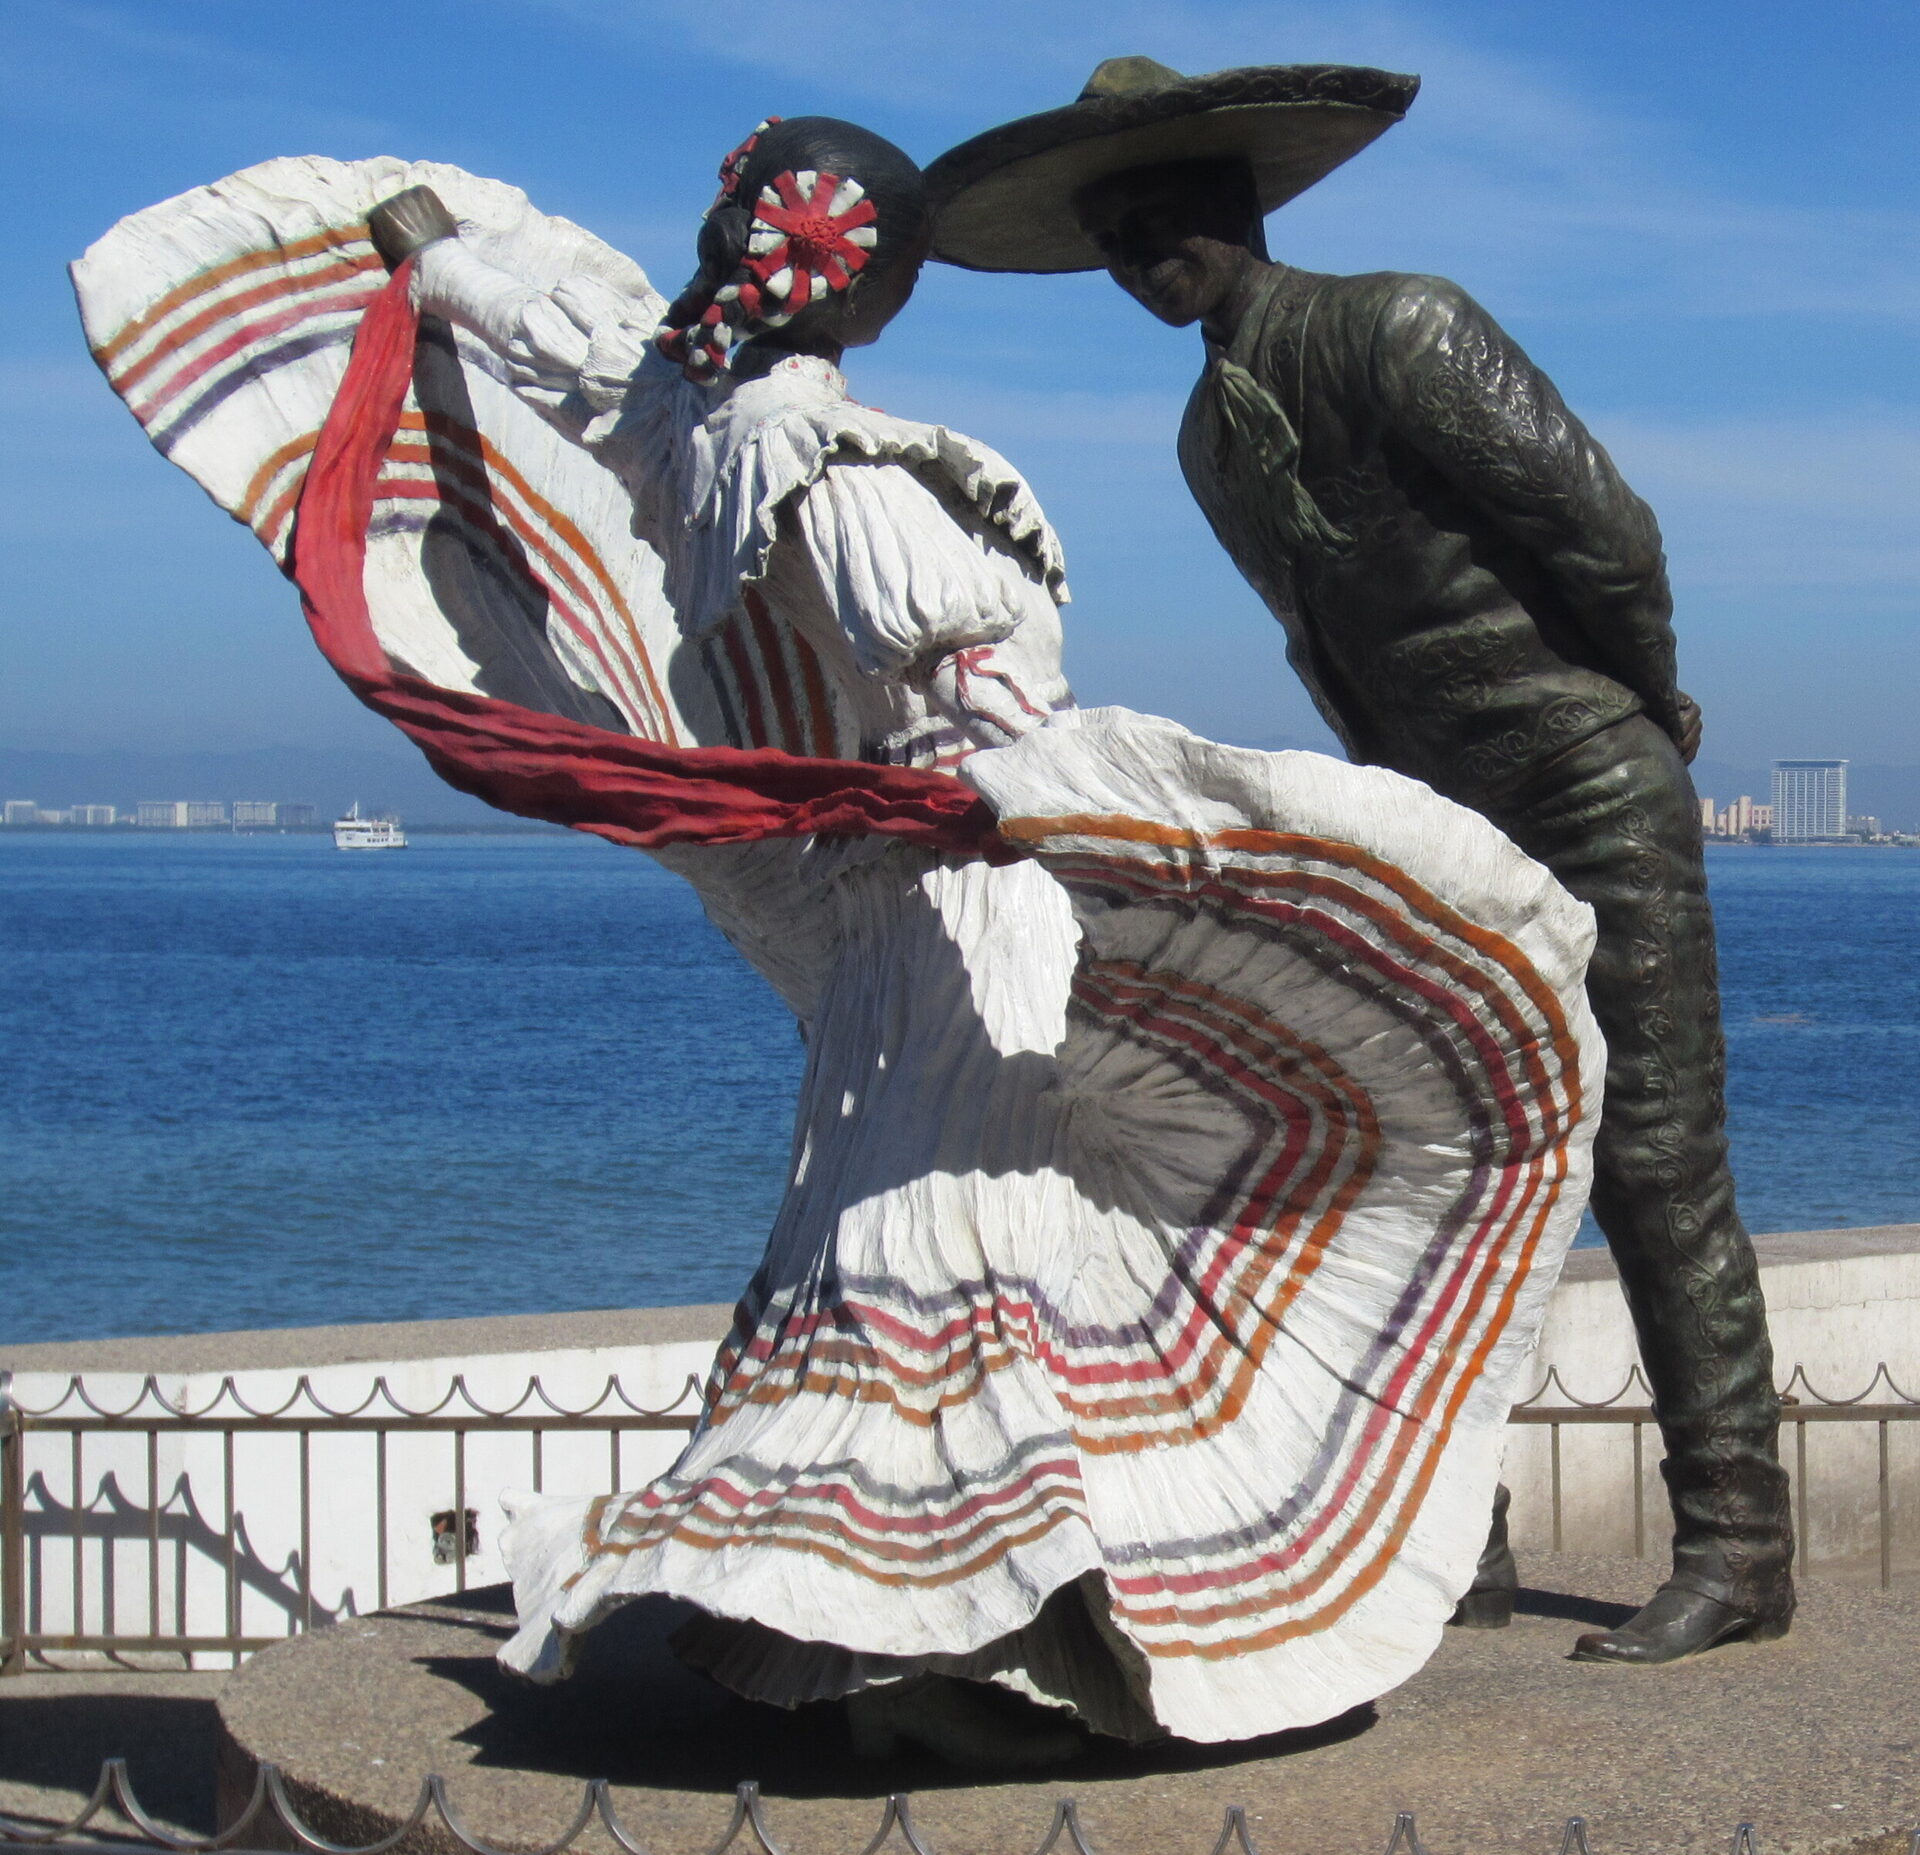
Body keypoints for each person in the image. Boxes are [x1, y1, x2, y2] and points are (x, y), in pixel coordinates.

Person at [76, 119, 1600, 1765]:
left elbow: (575, 355)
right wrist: (1137, 821)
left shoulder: (683, 422)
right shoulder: (846, 479)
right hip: (964, 910)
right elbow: (978, 706)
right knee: (965, 1247)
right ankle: (951, 1642)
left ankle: (867, 1621)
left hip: (885, 921)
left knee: (893, 1249)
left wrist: (438, 259)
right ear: (868, 298)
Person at [927, 60, 1795, 1666]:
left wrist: (1643, 706)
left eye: (1167, 212)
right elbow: (1320, 639)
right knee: (1449, 1158)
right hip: (1434, 823)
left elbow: (1608, 531)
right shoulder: (1206, 439)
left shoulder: (1402, 324)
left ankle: (1741, 1545)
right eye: (1115, 233)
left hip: (1583, 782)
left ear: (1243, 201)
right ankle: (1457, 1536)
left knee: (1656, 1164)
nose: (1142, 251)